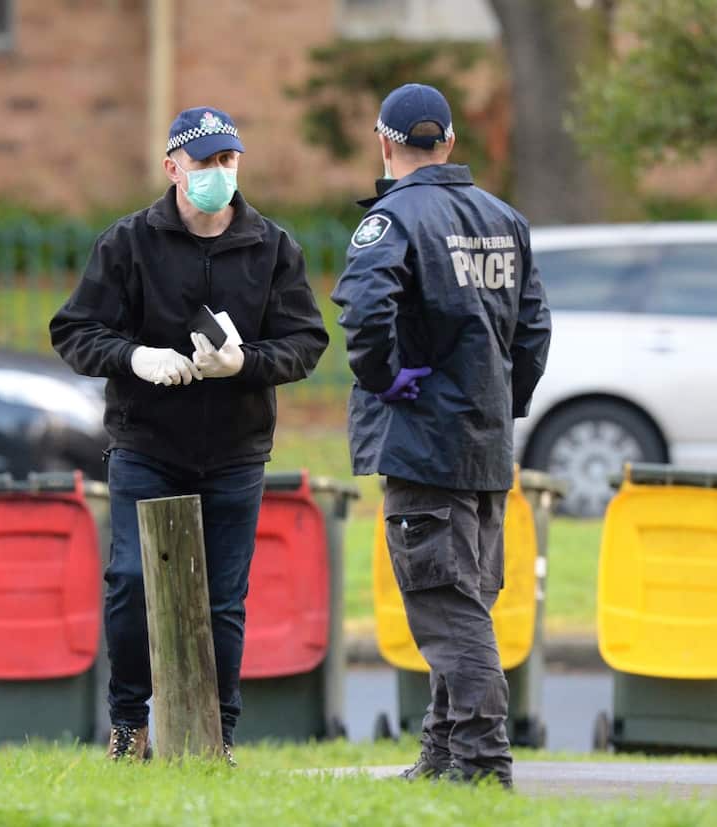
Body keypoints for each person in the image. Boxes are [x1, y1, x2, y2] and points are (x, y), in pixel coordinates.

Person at [50, 106, 329, 764]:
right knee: (129, 581)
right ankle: (128, 725)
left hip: (235, 449)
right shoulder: (129, 243)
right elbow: (75, 331)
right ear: (174, 168)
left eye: (228, 160)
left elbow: (306, 341)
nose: (217, 174)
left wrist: (245, 362)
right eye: (203, 162)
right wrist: (134, 356)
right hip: (147, 442)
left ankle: (215, 735)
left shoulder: (271, 246)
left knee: (224, 597)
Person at [331, 84, 552, 788]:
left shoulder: (391, 222)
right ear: (450, 143)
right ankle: (443, 751)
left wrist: (383, 375)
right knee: (462, 600)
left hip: (423, 443)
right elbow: (536, 330)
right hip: (484, 445)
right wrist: (498, 402)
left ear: (385, 142)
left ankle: (481, 762)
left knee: (445, 602)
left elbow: (366, 314)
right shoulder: (505, 220)